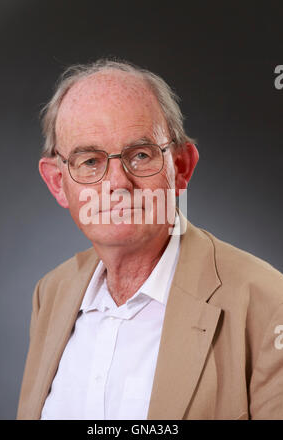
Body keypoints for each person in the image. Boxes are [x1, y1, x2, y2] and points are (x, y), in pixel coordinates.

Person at [17, 59, 283, 420]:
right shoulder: (50, 293)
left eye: (140, 155)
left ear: (182, 166)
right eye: (90, 161)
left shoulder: (269, 304)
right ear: (56, 183)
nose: (117, 184)